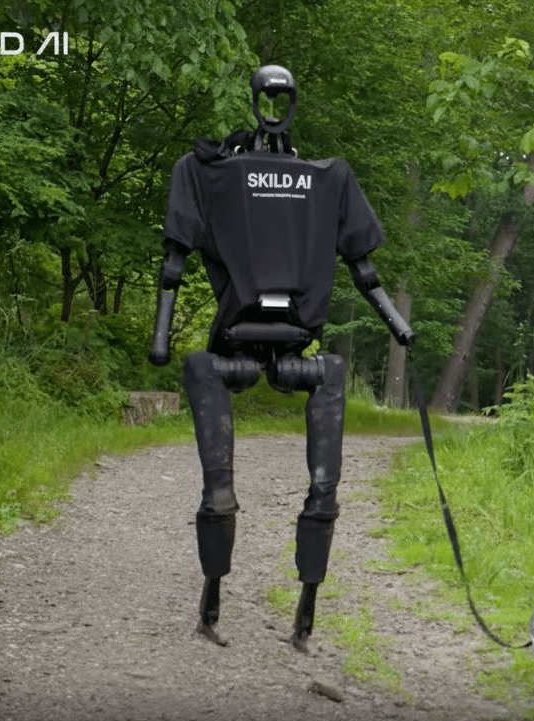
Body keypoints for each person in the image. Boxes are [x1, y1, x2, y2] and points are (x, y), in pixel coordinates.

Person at [149, 65, 413, 652]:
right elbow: (364, 269)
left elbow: (174, 257)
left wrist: (162, 335)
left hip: (248, 341)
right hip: (290, 339)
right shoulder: (327, 177)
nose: (275, 107)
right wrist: (395, 319)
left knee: (314, 478)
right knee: (245, 458)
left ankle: (281, 607)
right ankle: (240, 600)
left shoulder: (210, 171)